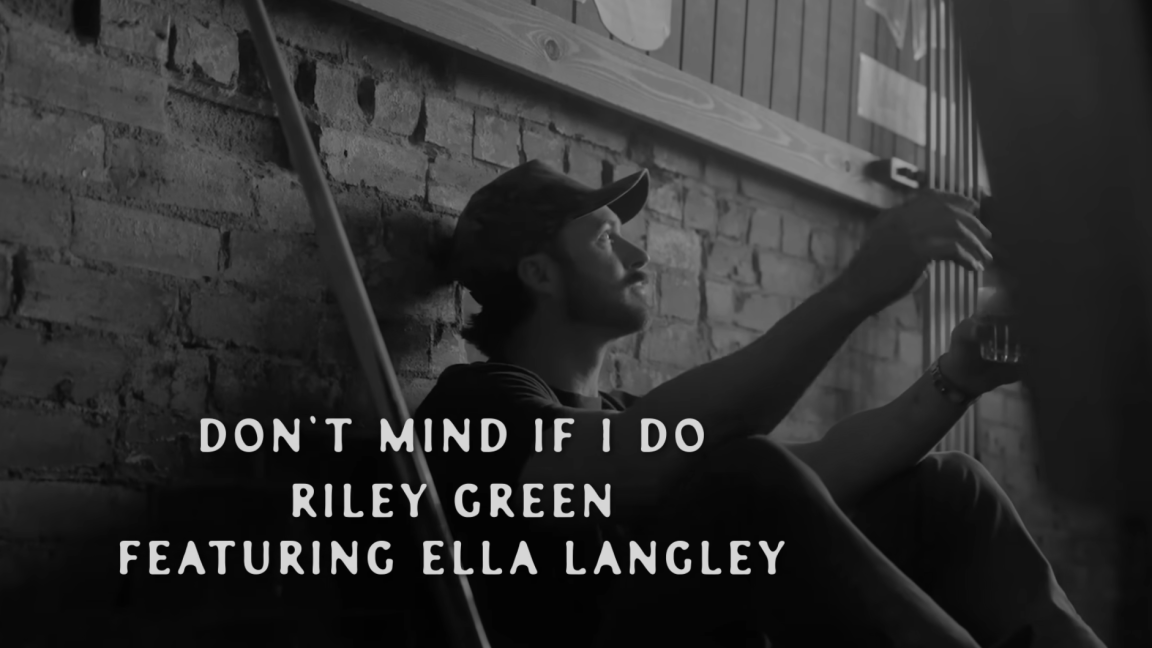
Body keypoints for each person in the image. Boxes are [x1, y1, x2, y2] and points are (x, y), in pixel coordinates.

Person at [413, 159, 1106, 648]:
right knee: (745, 474)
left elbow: (814, 477)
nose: (637, 254)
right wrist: (857, 288)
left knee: (949, 488)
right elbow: (674, 460)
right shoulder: (475, 405)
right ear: (539, 272)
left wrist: (957, 376)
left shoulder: (625, 416)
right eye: (603, 237)